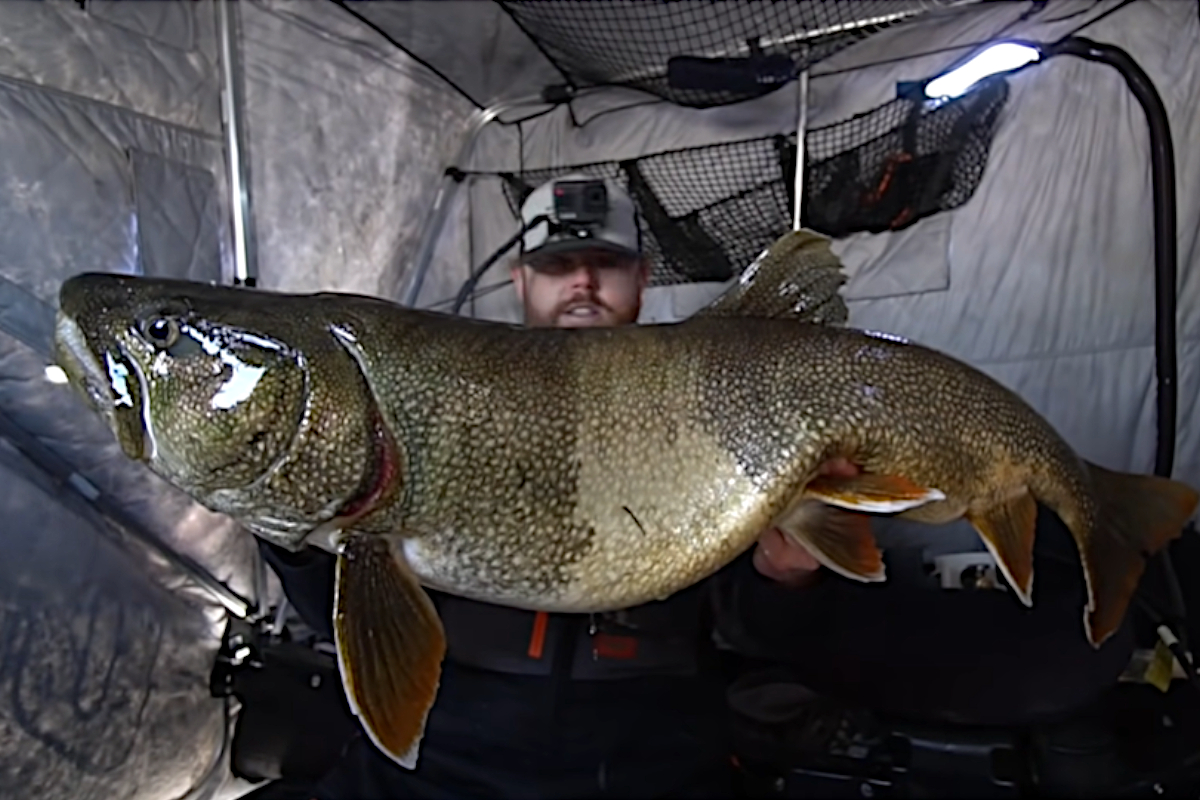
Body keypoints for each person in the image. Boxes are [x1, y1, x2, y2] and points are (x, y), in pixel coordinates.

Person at [259, 174, 834, 800]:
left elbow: (757, 635)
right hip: (443, 762)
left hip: (656, 766)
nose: (583, 282)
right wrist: (289, 527)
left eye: (605, 264)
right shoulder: (436, 393)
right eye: (558, 264)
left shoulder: (726, 403)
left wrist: (790, 578)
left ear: (642, 281)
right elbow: (344, 612)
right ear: (521, 280)